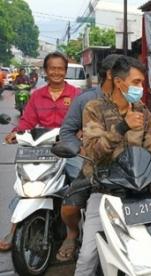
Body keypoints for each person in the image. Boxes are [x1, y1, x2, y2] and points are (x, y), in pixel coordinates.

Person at [74, 56, 151, 275]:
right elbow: (93, 152)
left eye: (142, 82)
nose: (141, 87)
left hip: (137, 194)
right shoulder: (95, 109)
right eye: (137, 82)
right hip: (104, 192)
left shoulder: (144, 113)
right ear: (119, 82)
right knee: (87, 258)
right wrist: (122, 127)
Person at [0, 51, 80, 251]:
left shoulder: (76, 95)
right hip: (41, 149)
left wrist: (81, 134)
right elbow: (27, 121)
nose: (56, 72)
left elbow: (85, 120)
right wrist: (15, 133)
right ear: (45, 71)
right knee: (26, 183)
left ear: (65, 70)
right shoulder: (37, 96)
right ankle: (14, 227)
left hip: (69, 148)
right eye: (52, 68)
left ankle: (73, 233)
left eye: (60, 68)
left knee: (80, 183)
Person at [55, 54, 122, 262]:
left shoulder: (131, 101)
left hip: (123, 167)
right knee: (70, 206)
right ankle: (72, 234)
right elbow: (67, 131)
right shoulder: (85, 100)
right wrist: (80, 150)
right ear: (111, 75)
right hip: (92, 165)